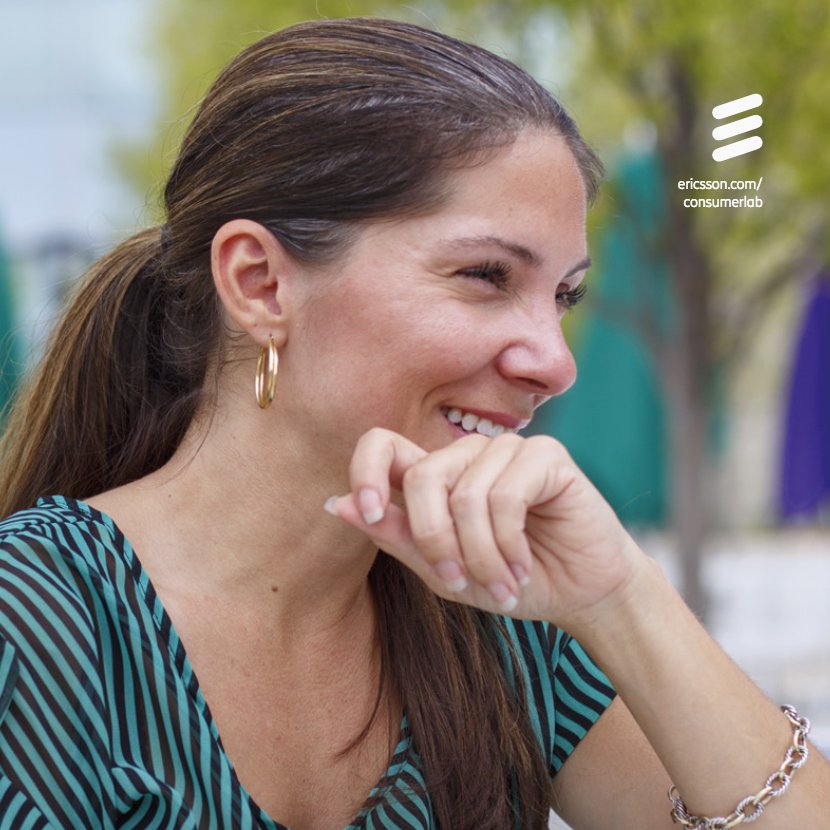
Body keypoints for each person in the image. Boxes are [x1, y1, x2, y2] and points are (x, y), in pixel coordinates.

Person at [0, 17, 826, 830]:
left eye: (565, 296)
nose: (556, 361)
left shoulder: (500, 607)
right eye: (486, 275)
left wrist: (620, 596)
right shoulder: (39, 621)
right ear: (259, 285)